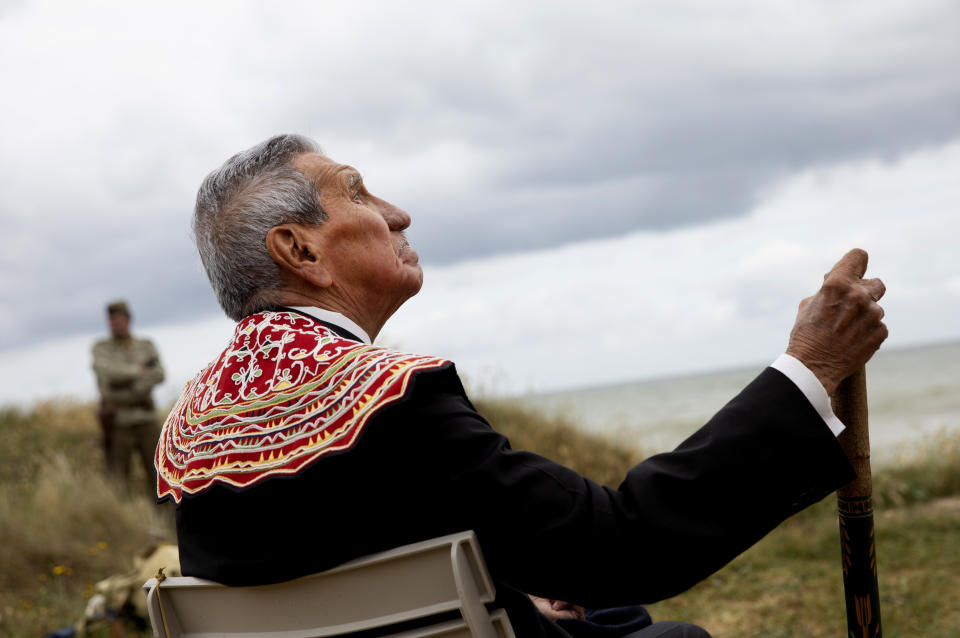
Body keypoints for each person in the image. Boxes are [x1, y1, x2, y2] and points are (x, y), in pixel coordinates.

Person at [155, 134, 887, 638]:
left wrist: (500, 595)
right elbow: (627, 546)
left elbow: (328, 566)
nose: (396, 213)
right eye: (358, 193)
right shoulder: (385, 397)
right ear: (301, 249)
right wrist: (808, 370)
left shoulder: (192, 431)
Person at [92, 300, 165, 494]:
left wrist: (134, 387)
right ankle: (122, 519)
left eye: (119, 319)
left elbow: (159, 374)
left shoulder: (146, 345)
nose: (115, 324)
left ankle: (164, 521)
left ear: (128, 320)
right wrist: (139, 371)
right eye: (112, 320)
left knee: (159, 475)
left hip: (146, 418)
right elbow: (107, 372)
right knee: (118, 480)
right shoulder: (101, 349)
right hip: (118, 421)